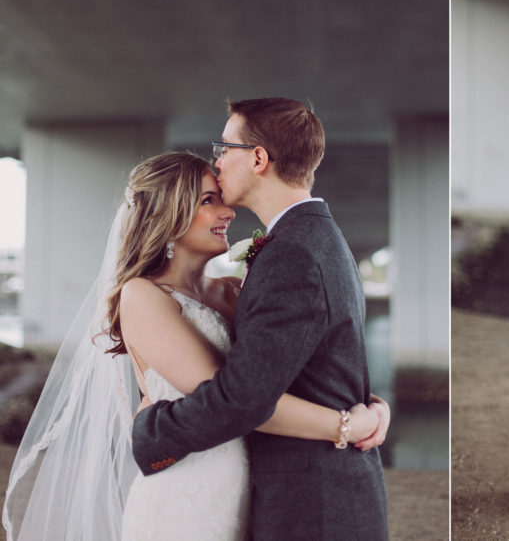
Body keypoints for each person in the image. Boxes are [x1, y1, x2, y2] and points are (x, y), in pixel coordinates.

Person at [2, 151, 388, 540]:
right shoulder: (143, 295)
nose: (229, 212)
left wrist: (372, 403)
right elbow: (237, 399)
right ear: (167, 215)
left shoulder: (235, 291)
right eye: (208, 200)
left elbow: (279, 372)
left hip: (252, 486)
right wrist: (348, 425)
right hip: (187, 491)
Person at [131, 98, 390, 540]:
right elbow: (318, 360)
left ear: (257, 157)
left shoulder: (291, 252)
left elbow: (244, 398)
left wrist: (150, 431)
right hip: (287, 492)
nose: (217, 160)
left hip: (314, 503)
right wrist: (364, 410)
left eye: (223, 147)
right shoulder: (311, 237)